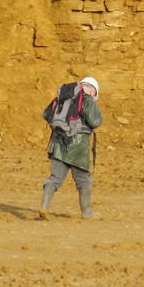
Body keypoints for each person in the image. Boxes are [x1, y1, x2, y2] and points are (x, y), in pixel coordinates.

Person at [38, 76, 103, 220]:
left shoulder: (63, 97)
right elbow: (95, 121)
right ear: (93, 91)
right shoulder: (87, 99)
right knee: (84, 181)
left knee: (54, 178)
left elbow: (46, 114)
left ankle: (44, 207)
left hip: (57, 144)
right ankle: (87, 212)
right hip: (78, 148)